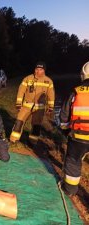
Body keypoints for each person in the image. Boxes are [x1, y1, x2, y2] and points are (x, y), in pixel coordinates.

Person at [60, 61, 89, 195]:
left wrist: (65, 130)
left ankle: (70, 190)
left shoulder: (76, 92)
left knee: (73, 162)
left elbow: (64, 115)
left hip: (78, 136)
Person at [10, 61, 55, 144]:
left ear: (44, 70)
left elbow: (51, 95)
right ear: (34, 69)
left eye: (41, 69)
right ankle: (13, 140)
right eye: (37, 69)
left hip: (40, 108)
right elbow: (21, 91)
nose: (38, 71)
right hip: (26, 106)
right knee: (19, 122)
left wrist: (51, 106)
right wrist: (18, 103)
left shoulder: (49, 81)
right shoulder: (27, 79)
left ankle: (32, 142)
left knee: (36, 126)